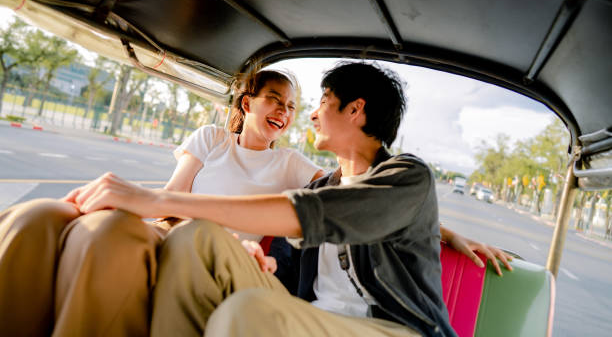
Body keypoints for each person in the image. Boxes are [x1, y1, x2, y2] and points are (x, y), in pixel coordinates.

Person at [62, 62, 512, 337]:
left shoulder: (406, 175)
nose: (309, 114)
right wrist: (266, 260)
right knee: (195, 239)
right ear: (246, 104)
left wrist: (153, 199)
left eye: (320, 102)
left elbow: (313, 216)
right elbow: (297, 242)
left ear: (355, 110)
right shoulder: (320, 184)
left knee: (251, 311)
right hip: (313, 316)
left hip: (391, 328)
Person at [0, 69, 324, 336]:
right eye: (274, 99)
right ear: (248, 103)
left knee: (105, 233)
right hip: (169, 230)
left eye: (292, 106)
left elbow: (344, 191)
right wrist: (129, 203)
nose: (284, 111)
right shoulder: (212, 138)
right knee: (42, 214)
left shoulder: (291, 163)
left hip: (213, 255)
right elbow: (172, 193)